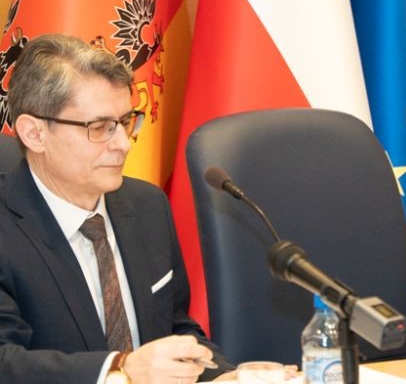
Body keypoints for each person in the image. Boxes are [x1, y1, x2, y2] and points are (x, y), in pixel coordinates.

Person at [0, 33, 235, 383]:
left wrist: (226, 376)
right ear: (35, 134)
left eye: (125, 122)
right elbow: (5, 362)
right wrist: (120, 370)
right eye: (100, 128)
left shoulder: (147, 205)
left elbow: (175, 329)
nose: (123, 144)